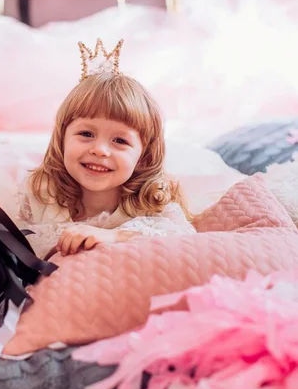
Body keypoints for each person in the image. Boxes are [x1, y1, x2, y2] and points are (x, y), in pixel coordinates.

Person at [14, 38, 195, 259]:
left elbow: (185, 239)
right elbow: (17, 249)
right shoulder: (42, 191)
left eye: (119, 141)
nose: (100, 150)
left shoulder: (152, 198)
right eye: (86, 134)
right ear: (62, 138)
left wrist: (114, 236)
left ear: (143, 156)